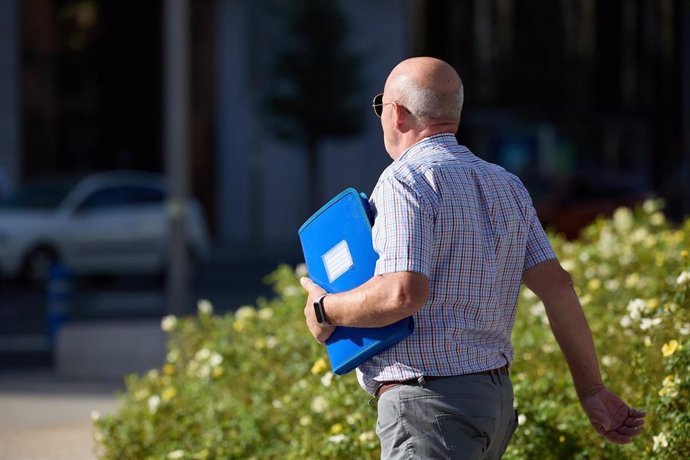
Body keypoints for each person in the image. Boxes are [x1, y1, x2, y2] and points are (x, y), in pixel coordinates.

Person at [299, 57, 645, 459]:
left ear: (397, 114)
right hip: (492, 403)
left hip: (428, 407)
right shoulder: (507, 185)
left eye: (381, 107)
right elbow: (558, 287)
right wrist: (592, 390)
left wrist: (325, 310)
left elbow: (402, 294)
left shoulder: (404, 179)